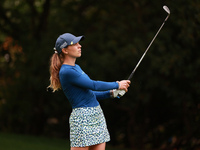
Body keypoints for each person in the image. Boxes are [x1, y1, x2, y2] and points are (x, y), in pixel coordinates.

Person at [48, 33, 131, 150]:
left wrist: (111, 93)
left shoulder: (76, 67)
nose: (79, 46)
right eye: (75, 44)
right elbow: (93, 85)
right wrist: (117, 84)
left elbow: (89, 94)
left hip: (96, 115)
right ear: (65, 50)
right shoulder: (66, 71)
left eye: (79, 43)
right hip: (82, 119)